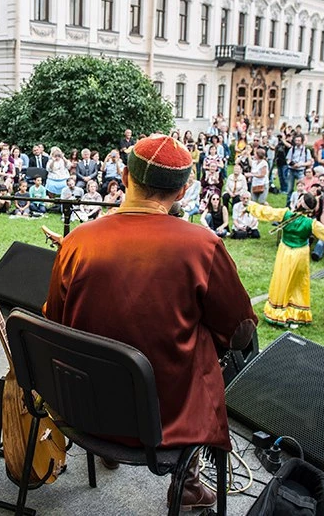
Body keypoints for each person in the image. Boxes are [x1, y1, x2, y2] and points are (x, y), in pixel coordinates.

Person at [44, 134, 256, 512]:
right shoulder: (203, 246)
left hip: (79, 406)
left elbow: (53, 320)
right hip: (165, 418)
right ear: (182, 191)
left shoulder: (77, 241)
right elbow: (240, 332)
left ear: (125, 176)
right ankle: (187, 483)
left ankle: (110, 448)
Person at [248, 194, 324, 327]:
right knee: (298, 282)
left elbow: (267, 212)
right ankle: (295, 314)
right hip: (300, 253)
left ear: (300, 203)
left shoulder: (285, 214)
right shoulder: (311, 223)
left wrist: (250, 204)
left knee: (282, 279)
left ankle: (279, 311)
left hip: (285, 251)